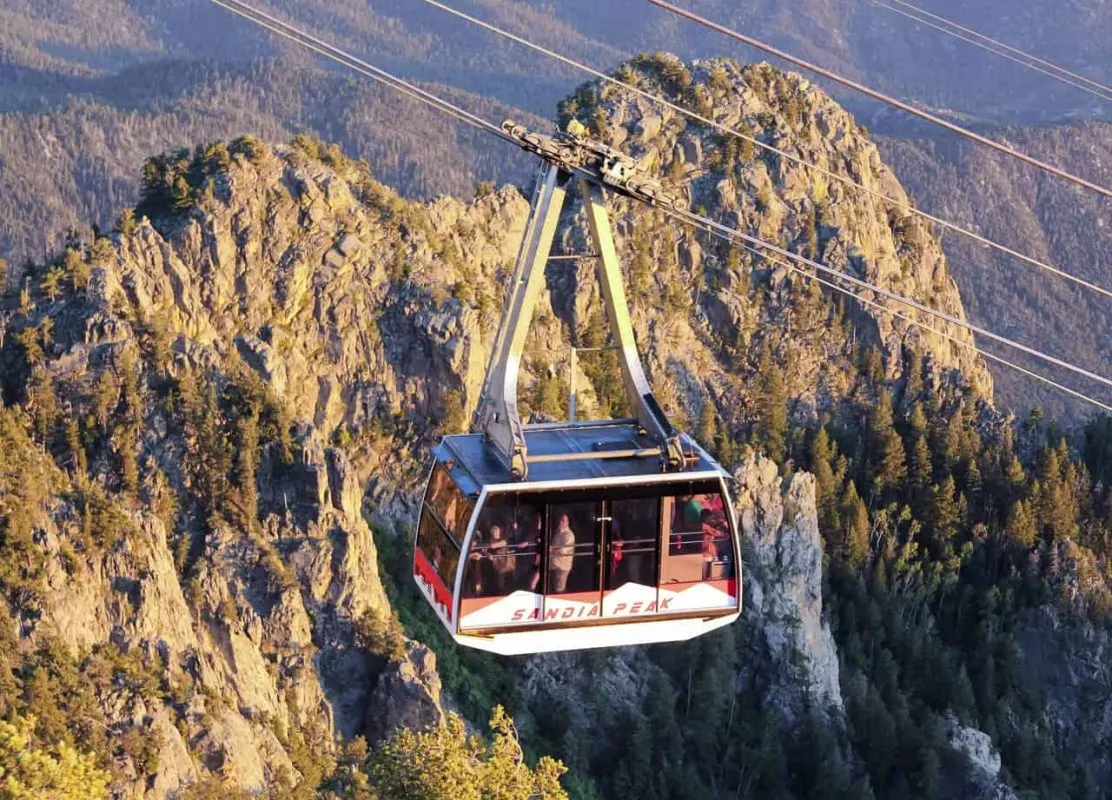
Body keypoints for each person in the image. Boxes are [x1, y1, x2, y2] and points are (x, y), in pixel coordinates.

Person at [548, 513, 575, 593]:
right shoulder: (558, 532)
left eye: (563, 520)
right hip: (554, 565)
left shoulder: (568, 535)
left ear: (568, 522)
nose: (561, 522)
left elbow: (563, 550)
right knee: (554, 589)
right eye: (560, 520)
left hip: (562, 567)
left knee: (559, 590)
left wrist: (550, 550)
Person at [486, 524, 514, 595]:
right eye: (493, 530)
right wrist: (488, 555)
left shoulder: (503, 538)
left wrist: (491, 546)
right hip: (498, 567)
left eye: (496, 530)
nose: (495, 532)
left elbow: (504, 543)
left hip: (508, 566)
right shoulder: (489, 541)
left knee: (509, 586)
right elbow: (487, 552)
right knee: (499, 587)